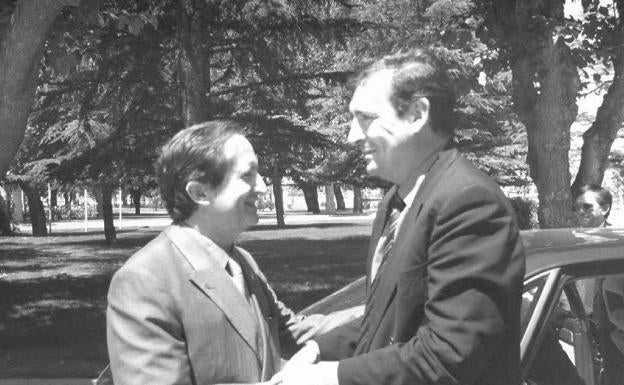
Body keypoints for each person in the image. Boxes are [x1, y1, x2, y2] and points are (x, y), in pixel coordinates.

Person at [275, 48, 526, 385]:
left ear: (417, 115)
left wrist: (330, 376)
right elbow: (385, 319)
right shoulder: (397, 200)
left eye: (365, 118)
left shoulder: (469, 202)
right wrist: (317, 350)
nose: (351, 136)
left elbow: (450, 353)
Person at [107, 121, 320, 385]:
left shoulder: (243, 261)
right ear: (200, 192)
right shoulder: (143, 280)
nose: (263, 186)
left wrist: (377, 307)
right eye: (247, 175)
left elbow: (290, 330)